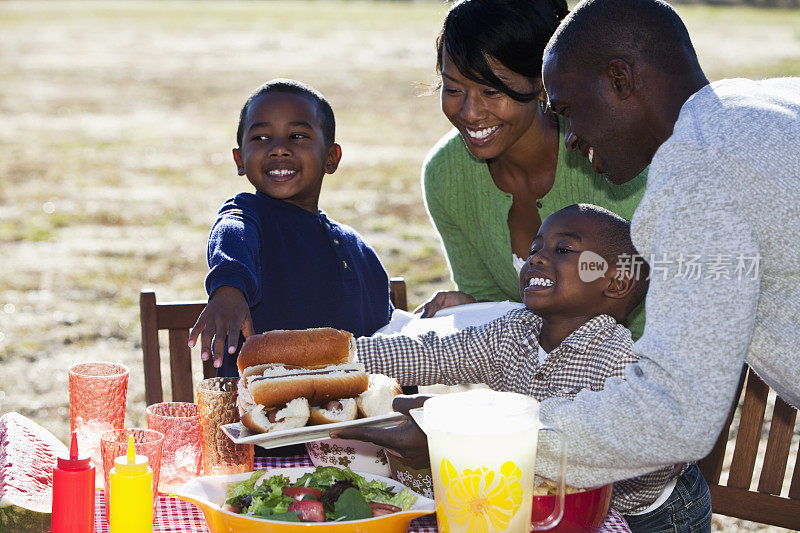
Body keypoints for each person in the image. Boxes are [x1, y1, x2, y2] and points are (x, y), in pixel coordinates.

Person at [528, 0, 800, 524]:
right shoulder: (757, 104)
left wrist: (494, 436)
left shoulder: (698, 169)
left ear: (620, 79)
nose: (570, 138)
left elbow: (675, 412)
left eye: (566, 110)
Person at [337, 204, 711, 526]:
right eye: (535, 248)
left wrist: (466, 429)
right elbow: (428, 353)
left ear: (615, 283)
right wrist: (336, 362)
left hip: (647, 516)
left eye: (563, 249)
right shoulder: (513, 331)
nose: (537, 257)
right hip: (546, 506)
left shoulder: (621, 359)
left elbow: (663, 449)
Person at [417, 0, 649, 340]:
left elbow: (653, 321)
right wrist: (474, 307)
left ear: (543, 82)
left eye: (491, 91)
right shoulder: (445, 175)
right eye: (453, 89)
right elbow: (492, 304)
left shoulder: (608, 162)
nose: (469, 112)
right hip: (529, 384)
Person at [187, 79, 393, 376]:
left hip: (352, 417)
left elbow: (387, 345)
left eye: (297, 135)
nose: (279, 149)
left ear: (331, 157)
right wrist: (229, 288)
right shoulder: (249, 215)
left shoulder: (357, 249)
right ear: (239, 159)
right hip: (257, 415)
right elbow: (232, 233)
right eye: (261, 138)